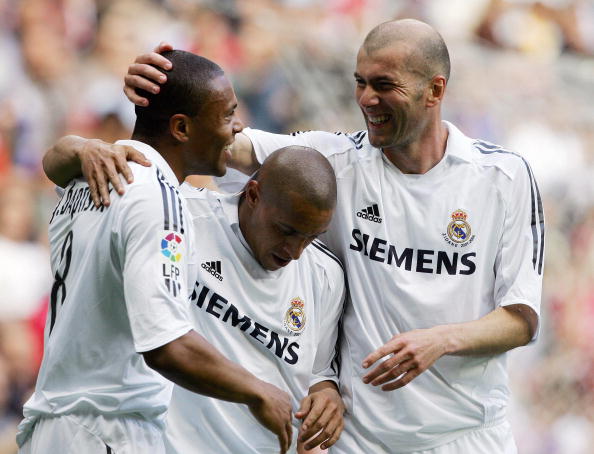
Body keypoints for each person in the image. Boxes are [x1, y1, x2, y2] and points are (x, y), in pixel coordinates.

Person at [65, 18, 545, 453]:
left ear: (434, 90)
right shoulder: (336, 162)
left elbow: (521, 318)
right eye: (360, 83)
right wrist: (157, 97)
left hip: (465, 436)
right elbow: (209, 137)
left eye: (384, 85)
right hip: (361, 439)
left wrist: (441, 340)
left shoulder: (502, 177)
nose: (366, 100)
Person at [18, 49, 294, 454]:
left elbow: (54, 162)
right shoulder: (157, 197)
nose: (237, 127)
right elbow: (166, 345)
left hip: (53, 426)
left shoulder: (92, 174)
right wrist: (258, 391)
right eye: (227, 115)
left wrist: (76, 146)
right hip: (107, 430)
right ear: (181, 127)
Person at [44, 142, 347, 453]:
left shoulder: (326, 275)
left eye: (311, 238)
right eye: (287, 231)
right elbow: (59, 168)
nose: (295, 252)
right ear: (253, 195)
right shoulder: (178, 215)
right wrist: (81, 148)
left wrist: (327, 395)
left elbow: (318, 374)